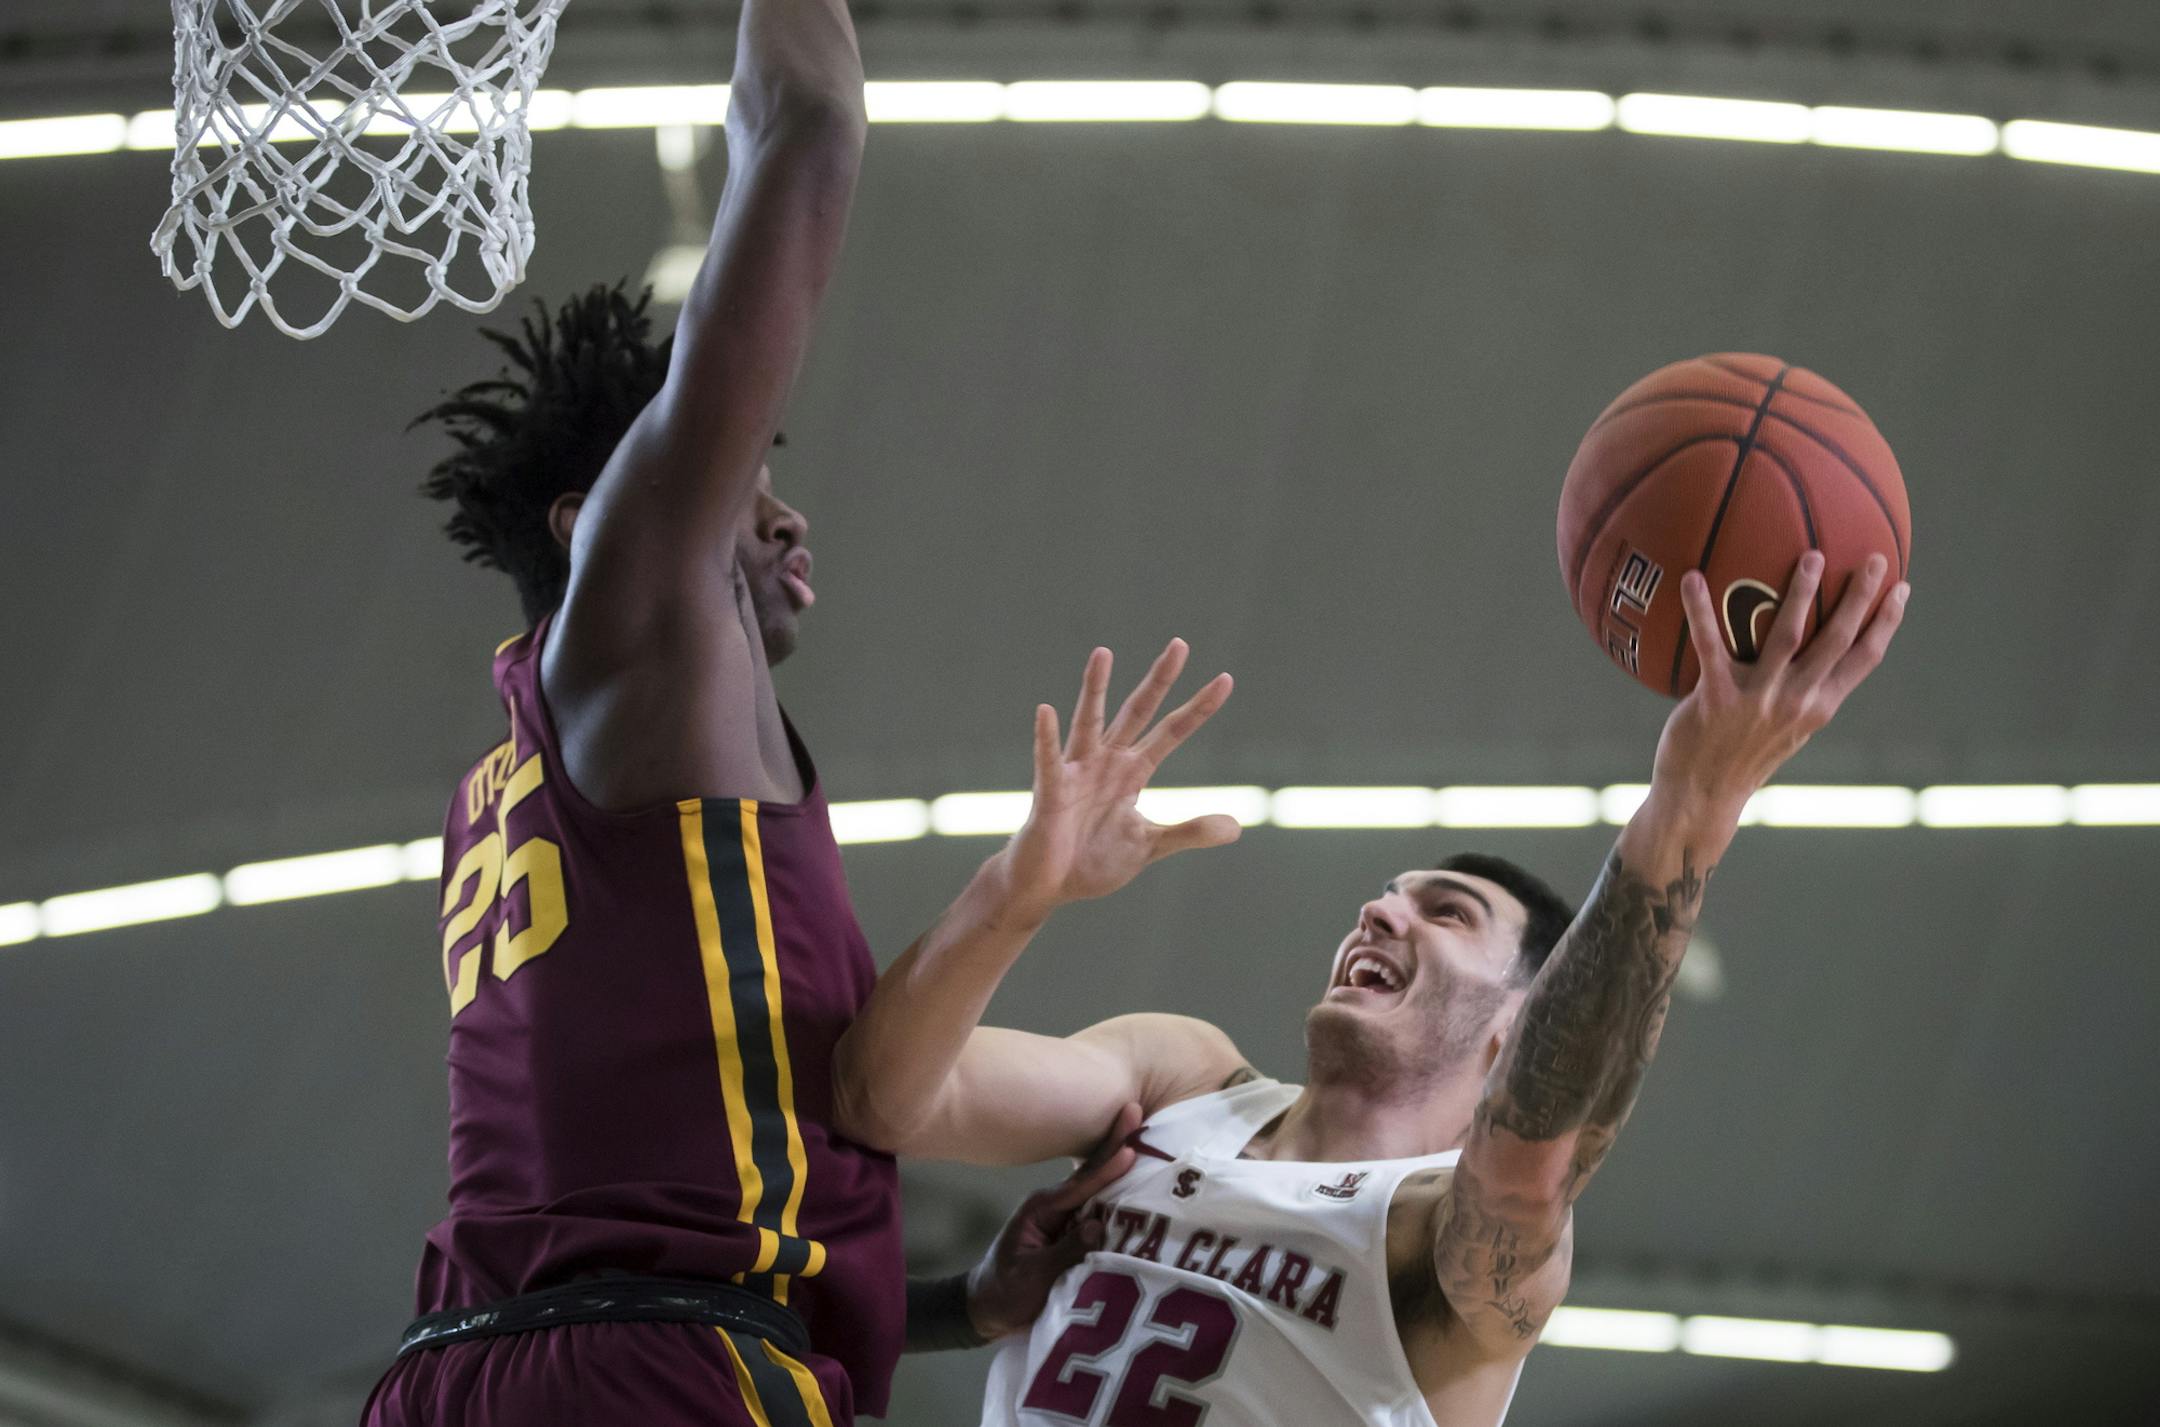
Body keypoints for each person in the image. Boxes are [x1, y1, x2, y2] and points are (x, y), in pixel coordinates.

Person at [356, 0, 1151, 1421]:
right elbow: (809, 129)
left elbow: (638, 1214)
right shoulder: (644, 607)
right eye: (736, 477)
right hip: (655, 1371)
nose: (781, 512)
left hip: (481, 1370)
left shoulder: (528, 770)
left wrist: (967, 1304)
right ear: (599, 516)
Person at [832, 553, 1908, 1425]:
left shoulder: (1443, 1244)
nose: (1381, 912)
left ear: (1517, 1026)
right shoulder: (1176, 1076)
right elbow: (887, 1098)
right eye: (1387, 895)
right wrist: (1017, 894)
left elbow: (1537, 1150)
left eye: (1447, 911)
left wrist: (1690, 806)